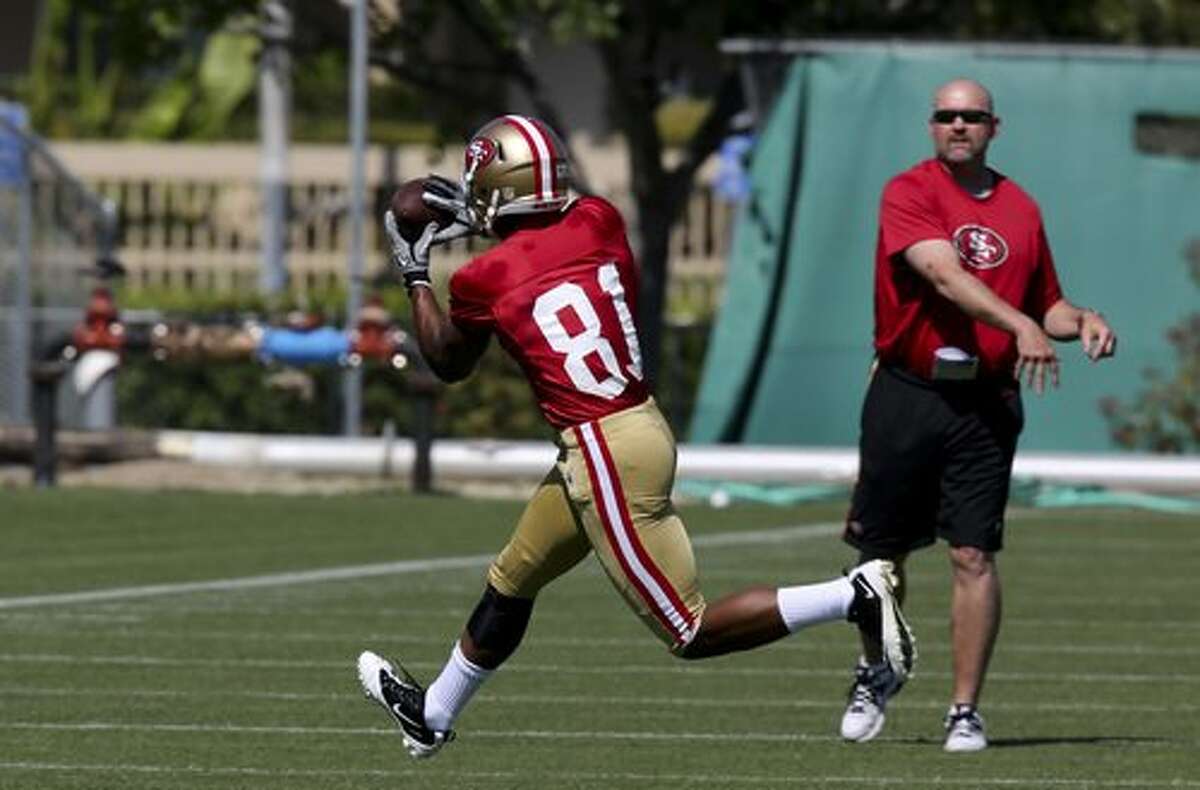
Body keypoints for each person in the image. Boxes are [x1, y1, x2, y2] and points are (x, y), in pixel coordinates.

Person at [356, 113, 917, 759]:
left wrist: (414, 269)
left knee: (689, 628)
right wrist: (489, 217)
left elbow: (448, 362)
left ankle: (852, 594)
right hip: (635, 428)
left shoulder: (486, 278)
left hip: (601, 450)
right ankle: (433, 713)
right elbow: (545, 241)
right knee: (513, 577)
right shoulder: (600, 219)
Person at [837, 79, 1117, 753]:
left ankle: (964, 710)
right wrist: (1022, 324)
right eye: (946, 115)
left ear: (996, 126)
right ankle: (876, 669)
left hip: (986, 403)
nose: (958, 125)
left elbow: (1044, 303)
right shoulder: (909, 191)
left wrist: (1082, 320)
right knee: (882, 556)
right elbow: (942, 274)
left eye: (972, 116)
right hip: (910, 392)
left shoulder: (1021, 206)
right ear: (932, 126)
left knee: (973, 553)